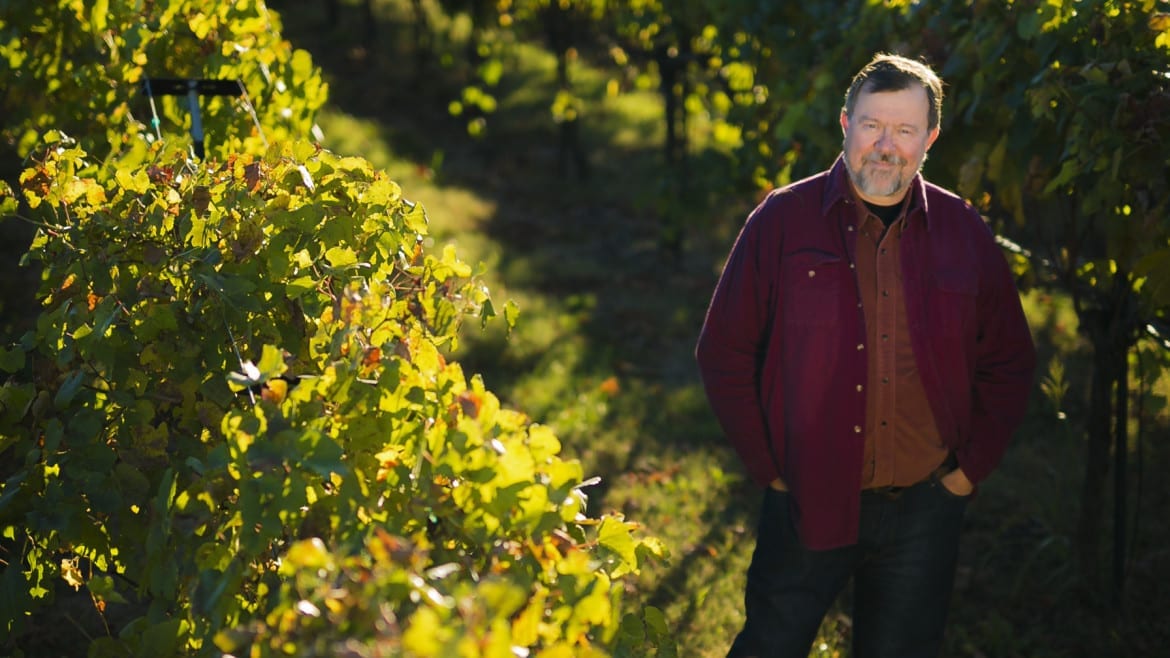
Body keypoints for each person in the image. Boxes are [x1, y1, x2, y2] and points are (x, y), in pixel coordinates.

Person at [694, 53, 1037, 658]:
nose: (887, 145)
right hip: (806, 496)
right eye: (873, 125)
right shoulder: (783, 220)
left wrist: (964, 475)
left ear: (929, 139)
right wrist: (768, 468)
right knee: (770, 647)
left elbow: (1009, 360)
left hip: (925, 507)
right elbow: (723, 351)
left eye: (905, 130)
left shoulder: (963, 230)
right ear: (845, 122)